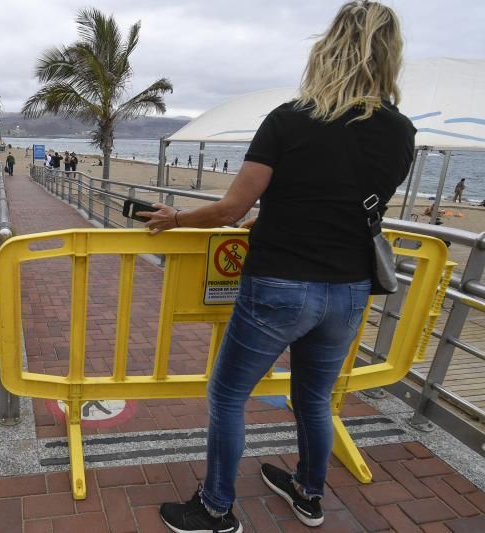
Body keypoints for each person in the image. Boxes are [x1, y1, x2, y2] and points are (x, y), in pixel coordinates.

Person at [148, 3, 415, 531]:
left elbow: (229, 210)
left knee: (227, 395)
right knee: (313, 398)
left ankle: (216, 508)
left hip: (280, 284)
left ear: (327, 50)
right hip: (349, 288)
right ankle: (308, 493)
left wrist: (176, 218)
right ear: (389, 56)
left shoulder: (290, 119)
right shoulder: (400, 131)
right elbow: (344, 200)